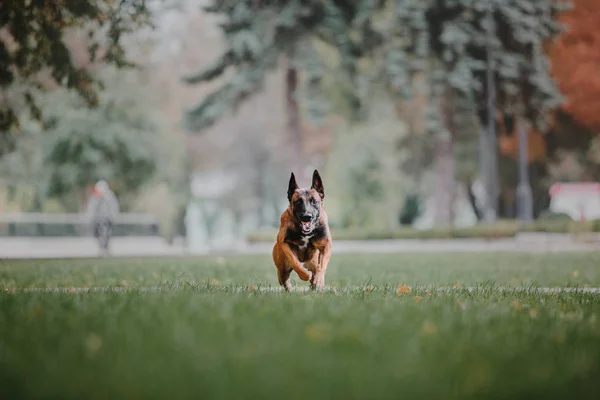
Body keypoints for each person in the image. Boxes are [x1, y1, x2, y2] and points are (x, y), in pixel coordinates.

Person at [86, 180, 120, 255]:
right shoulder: (95, 197)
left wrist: (113, 218)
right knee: (97, 234)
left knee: (106, 234)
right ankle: (102, 247)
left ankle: (105, 248)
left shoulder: (110, 197)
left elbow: (113, 208)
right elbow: (92, 208)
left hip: (107, 219)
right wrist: (90, 218)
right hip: (97, 219)